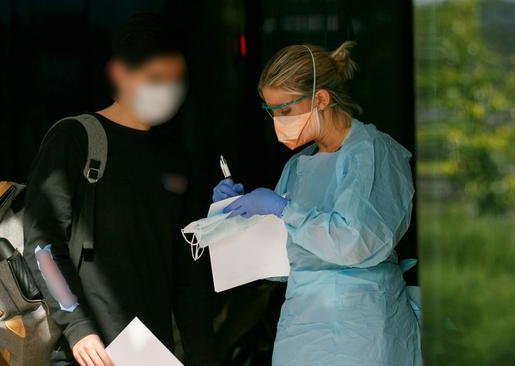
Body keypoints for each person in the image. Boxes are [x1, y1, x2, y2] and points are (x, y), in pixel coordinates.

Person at [23, 14, 217, 366]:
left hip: (152, 353)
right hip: (87, 352)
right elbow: (43, 245)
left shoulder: (176, 156)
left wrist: (202, 354)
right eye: (156, 79)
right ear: (120, 74)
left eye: (177, 80)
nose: (168, 90)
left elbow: (190, 268)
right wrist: (78, 326)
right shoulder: (74, 139)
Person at [212, 41, 422, 365]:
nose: (277, 122)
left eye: (285, 111)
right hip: (302, 331)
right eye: (271, 112)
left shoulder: (373, 153)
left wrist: (284, 210)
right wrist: (233, 217)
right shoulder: (299, 166)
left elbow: (356, 244)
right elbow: (279, 265)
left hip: (362, 330)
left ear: (320, 99)